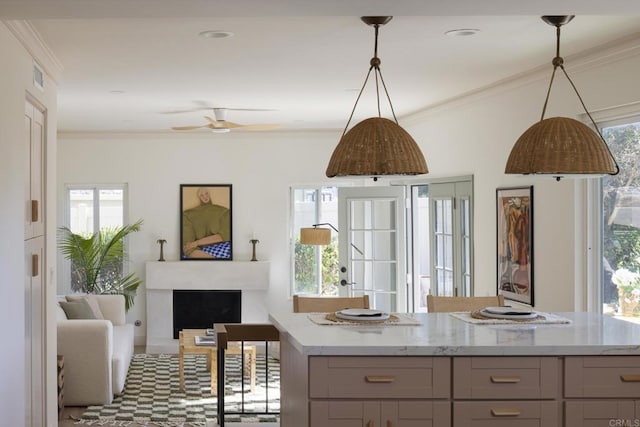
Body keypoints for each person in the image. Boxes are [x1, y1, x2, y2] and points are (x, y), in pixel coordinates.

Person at [182, 187, 231, 259]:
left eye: (206, 193)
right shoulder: (187, 215)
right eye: (201, 195)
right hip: (200, 252)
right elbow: (188, 247)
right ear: (199, 197)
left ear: (209, 194)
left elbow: (224, 236)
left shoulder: (224, 211)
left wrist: (196, 243)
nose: (205, 196)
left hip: (223, 247)